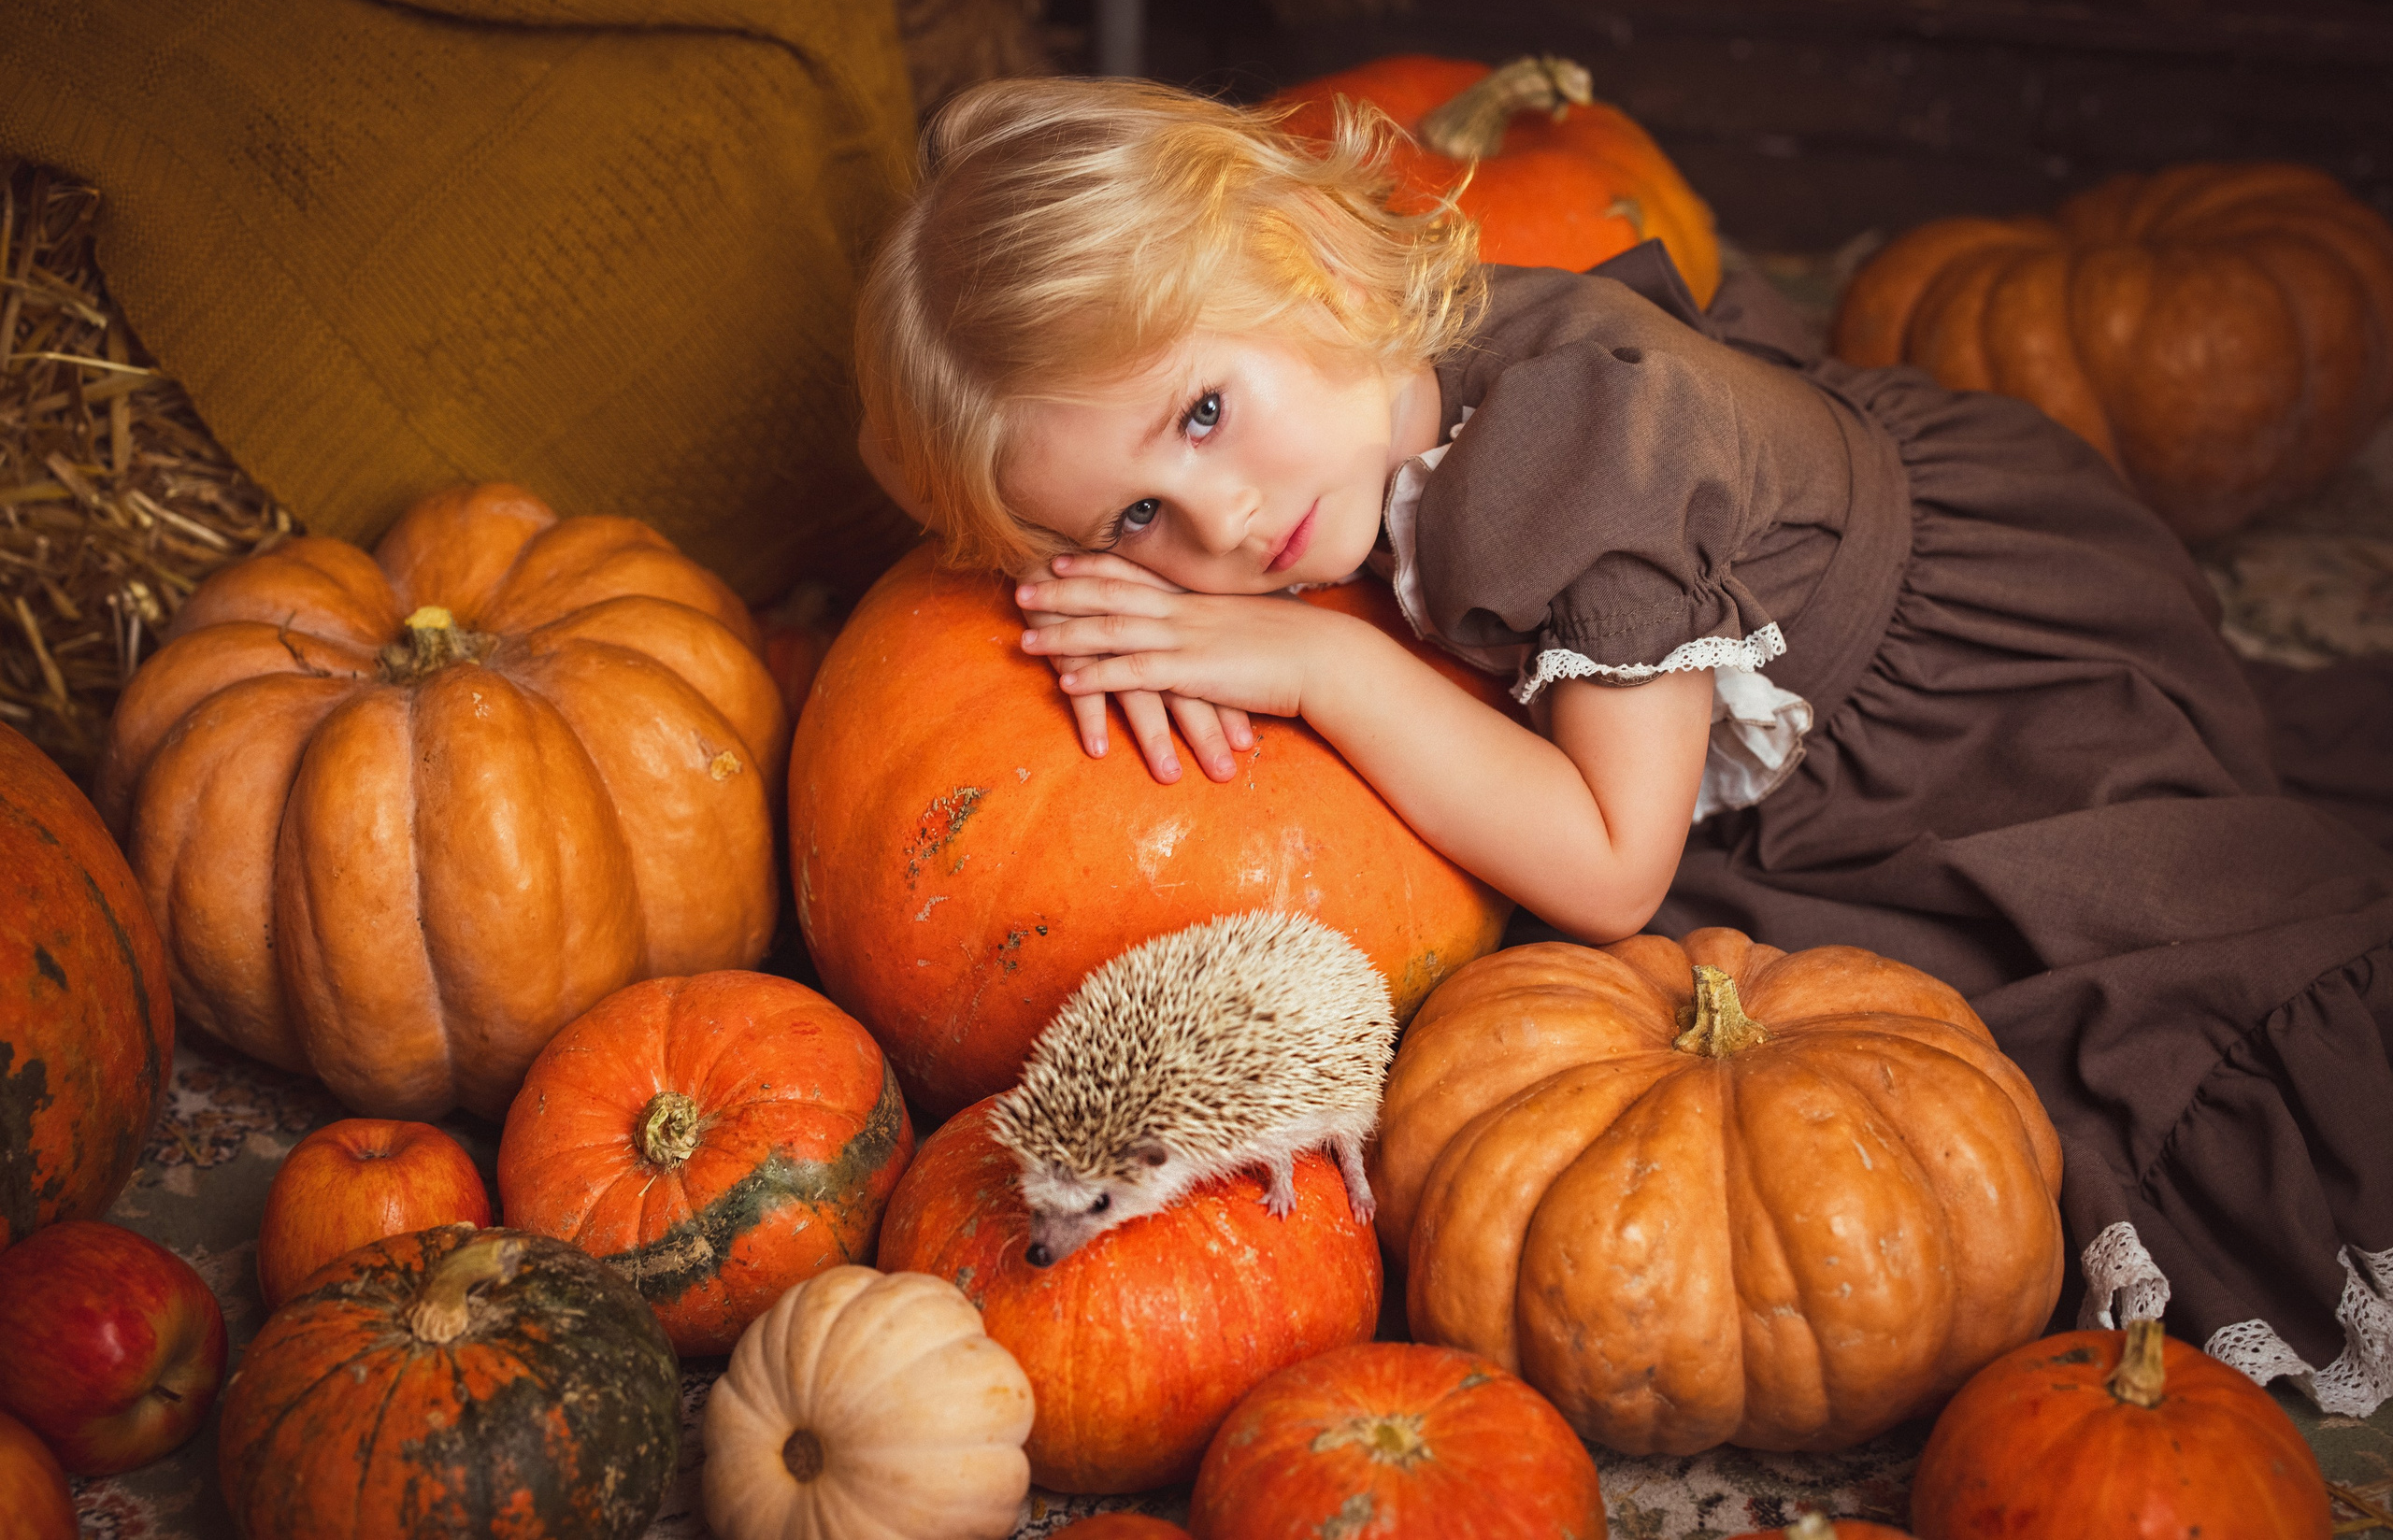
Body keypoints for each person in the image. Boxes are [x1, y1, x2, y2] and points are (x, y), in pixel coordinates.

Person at [853, 76, 2393, 1419]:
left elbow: (1608, 868)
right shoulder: (1356, 408)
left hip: (1989, 712)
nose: (1231, 526)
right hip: (1793, 600)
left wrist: (1318, 664)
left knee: (1984, 1047)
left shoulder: (1582, 465)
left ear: (1305, 264)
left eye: (1202, 414)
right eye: (1137, 520)